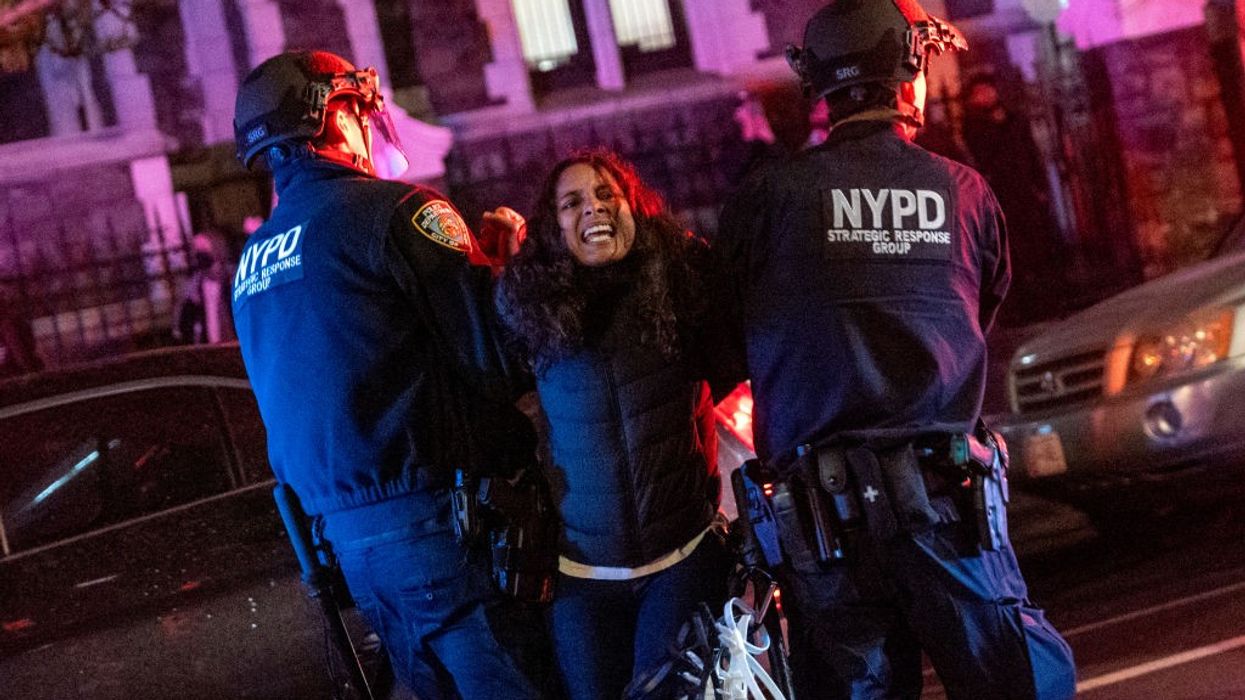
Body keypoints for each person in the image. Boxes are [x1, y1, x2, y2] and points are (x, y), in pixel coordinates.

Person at [712, 2, 1077, 699]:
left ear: (815, 84)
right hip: (947, 512)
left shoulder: (765, 201)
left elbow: (725, 342)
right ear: (907, 72)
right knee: (1017, 682)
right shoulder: (964, 193)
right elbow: (982, 311)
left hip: (822, 529)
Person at [229, 49, 543, 699]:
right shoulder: (395, 213)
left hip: (351, 552)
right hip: (438, 525)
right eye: (362, 111)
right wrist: (505, 268)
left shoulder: (252, 264)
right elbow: (498, 361)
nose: (373, 126)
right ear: (334, 118)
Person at [496, 151, 736, 699]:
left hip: (679, 563)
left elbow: (733, 360)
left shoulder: (680, 286)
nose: (594, 209)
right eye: (572, 202)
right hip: (582, 580)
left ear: (633, 207)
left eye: (608, 195)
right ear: (551, 224)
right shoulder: (529, 308)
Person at [961, 72, 1065, 323]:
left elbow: (1030, 153)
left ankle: (1050, 298)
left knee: (1038, 248)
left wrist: (1039, 186)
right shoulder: (974, 125)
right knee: (1012, 253)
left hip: (1024, 193)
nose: (986, 96)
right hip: (1002, 196)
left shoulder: (1014, 119)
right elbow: (984, 155)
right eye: (980, 93)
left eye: (989, 90)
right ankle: (1023, 307)